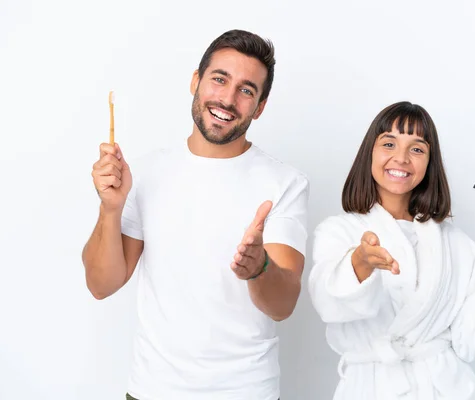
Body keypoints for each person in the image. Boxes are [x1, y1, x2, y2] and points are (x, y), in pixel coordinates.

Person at [82, 29, 309, 400]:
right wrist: (111, 208)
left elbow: (283, 306)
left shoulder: (285, 184)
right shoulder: (146, 174)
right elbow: (101, 284)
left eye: (247, 90)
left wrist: (259, 268)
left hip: (246, 392)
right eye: (219, 79)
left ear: (260, 107)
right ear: (195, 81)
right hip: (152, 390)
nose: (228, 99)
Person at [308, 101, 475, 400]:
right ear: (369, 153)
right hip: (370, 388)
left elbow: (473, 343)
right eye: (389, 143)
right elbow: (328, 305)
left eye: (417, 149)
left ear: (430, 163)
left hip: (448, 388)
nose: (401, 158)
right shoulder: (338, 232)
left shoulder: (457, 245)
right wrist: (359, 263)